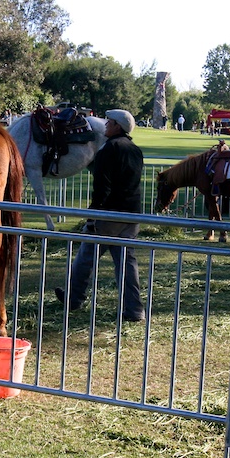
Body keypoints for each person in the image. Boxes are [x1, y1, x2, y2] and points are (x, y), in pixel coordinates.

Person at [55, 109, 145, 322]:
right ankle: (134, 310)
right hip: (132, 213)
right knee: (126, 262)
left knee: (86, 255)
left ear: (116, 126)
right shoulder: (135, 150)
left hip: (109, 213)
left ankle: (74, 298)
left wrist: (94, 213)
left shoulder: (108, 150)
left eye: (109, 122)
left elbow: (102, 186)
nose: (105, 125)